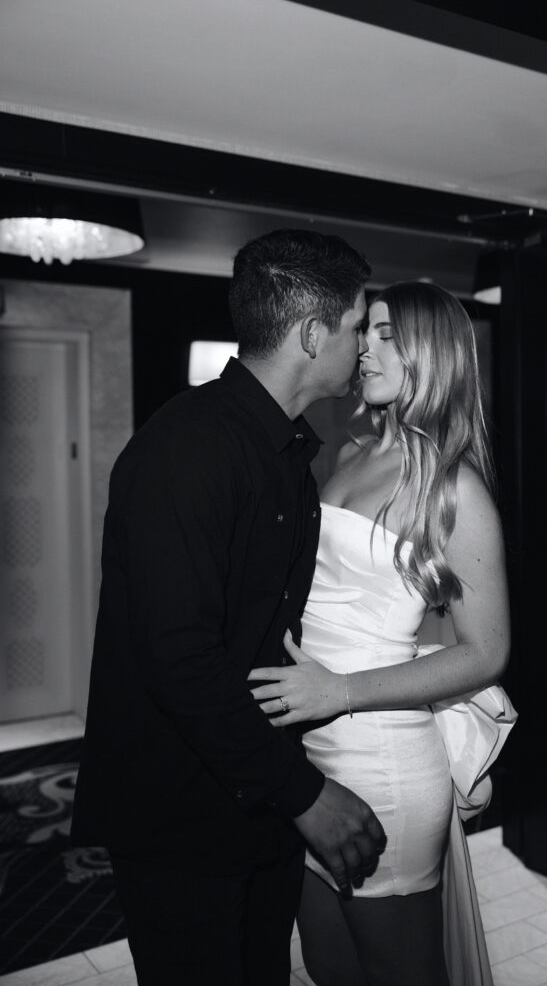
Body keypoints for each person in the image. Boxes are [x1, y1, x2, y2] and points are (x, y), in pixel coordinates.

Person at [71, 229, 387, 986]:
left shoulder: (285, 452)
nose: (363, 350)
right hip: (178, 812)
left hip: (255, 797)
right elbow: (179, 658)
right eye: (355, 328)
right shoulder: (184, 451)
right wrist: (305, 795)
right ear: (314, 333)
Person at [249, 281, 512, 986]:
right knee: (330, 967)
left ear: (431, 352)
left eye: (387, 333)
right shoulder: (346, 454)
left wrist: (337, 689)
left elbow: (486, 653)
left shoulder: (453, 489)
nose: (363, 345)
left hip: (382, 763)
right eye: (365, 330)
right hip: (309, 753)